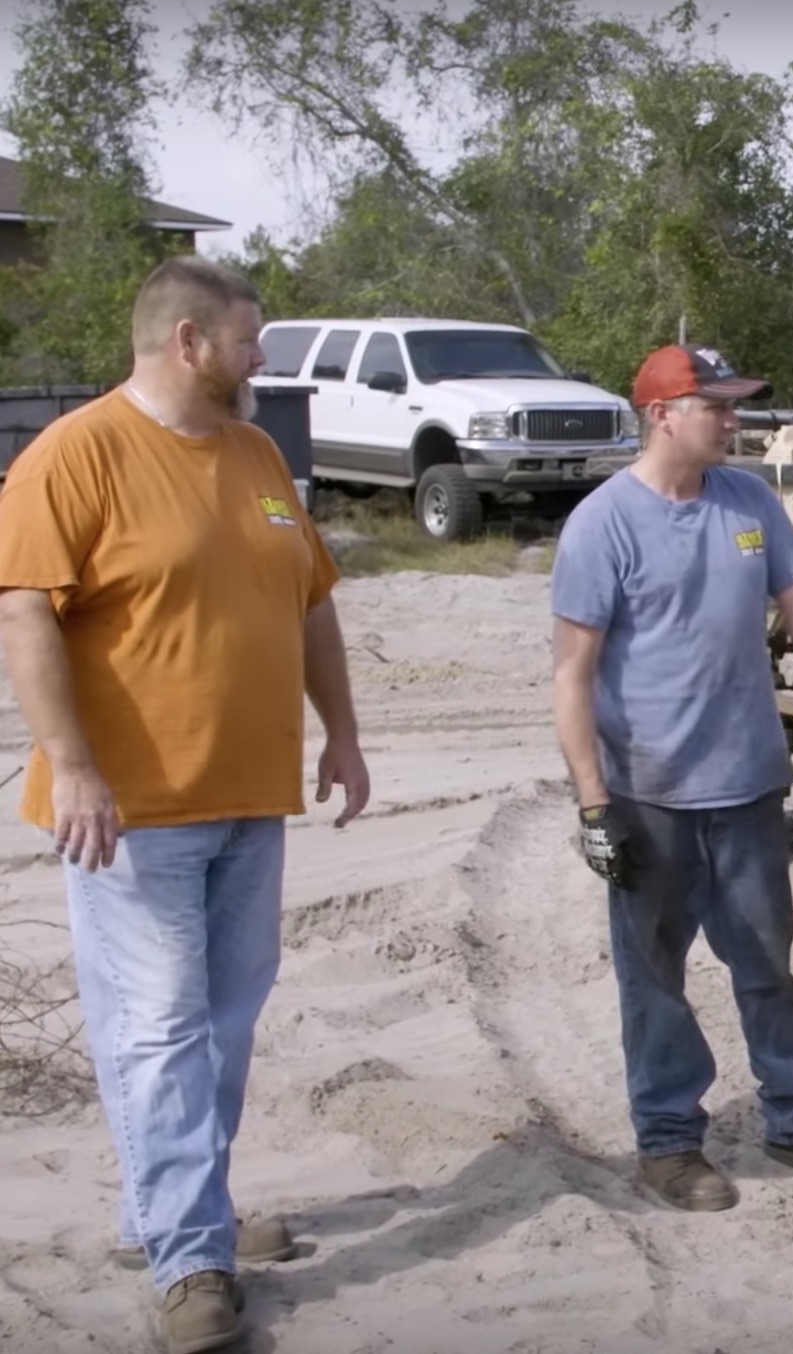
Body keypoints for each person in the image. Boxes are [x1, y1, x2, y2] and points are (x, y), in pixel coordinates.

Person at [0, 254, 370, 1354]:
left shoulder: (256, 453)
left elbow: (308, 606)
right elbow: (26, 618)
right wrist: (74, 764)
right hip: (130, 808)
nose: (264, 358)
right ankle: (192, 1261)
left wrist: (341, 732)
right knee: (158, 1029)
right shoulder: (75, 455)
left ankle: (167, 1215)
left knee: (221, 1025)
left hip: (248, 794)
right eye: (250, 340)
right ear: (189, 344)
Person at [549, 341, 793, 1213]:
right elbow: (571, 676)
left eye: (736, 406)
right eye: (718, 407)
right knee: (655, 977)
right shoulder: (602, 525)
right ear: (662, 415)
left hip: (749, 788)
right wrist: (592, 804)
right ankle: (668, 1143)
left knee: (768, 960)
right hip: (648, 797)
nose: (735, 421)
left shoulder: (751, 503)